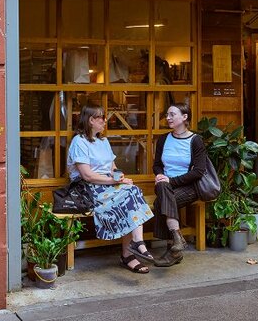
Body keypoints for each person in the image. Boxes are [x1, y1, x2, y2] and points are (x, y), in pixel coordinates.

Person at [67, 105, 155, 274]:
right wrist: (112, 182)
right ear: (91, 120)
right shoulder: (79, 141)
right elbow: (87, 175)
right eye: (101, 118)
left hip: (106, 185)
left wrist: (119, 177)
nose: (105, 121)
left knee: (132, 190)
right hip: (88, 190)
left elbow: (112, 167)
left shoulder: (103, 140)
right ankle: (131, 252)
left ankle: (135, 245)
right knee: (129, 196)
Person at [151, 103, 207, 267]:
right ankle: (177, 240)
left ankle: (174, 250)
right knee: (162, 187)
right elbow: (157, 165)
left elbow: (198, 171)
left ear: (184, 117)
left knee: (160, 201)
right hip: (165, 185)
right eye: (167, 115)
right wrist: (160, 174)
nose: (168, 118)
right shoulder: (164, 139)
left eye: (172, 114)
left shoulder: (195, 141)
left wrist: (171, 181)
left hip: (189, 187)